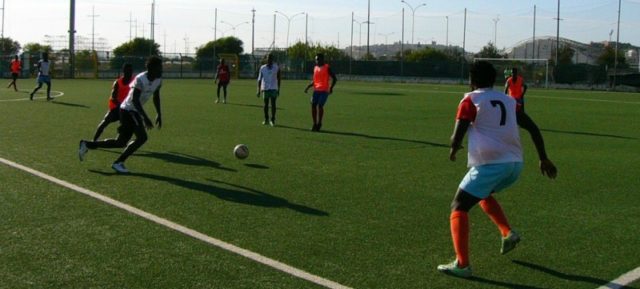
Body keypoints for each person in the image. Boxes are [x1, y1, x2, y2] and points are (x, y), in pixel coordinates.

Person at [437, 61, 557, 278]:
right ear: (495, 81)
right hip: (515, 165)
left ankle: (462, 265)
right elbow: (533, 128)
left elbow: (458, 133)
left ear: (472, 81)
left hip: (491, 165)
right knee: (483, 195)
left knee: (459, 206)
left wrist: (454, 148)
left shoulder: (471, 100)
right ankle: (507, 233)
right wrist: (543, 158)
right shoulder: (510, 101)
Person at [78, 56, 163, 174]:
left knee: (121, 142)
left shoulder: (158, 80)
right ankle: (118, 162)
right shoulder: (140, 79)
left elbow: (156, 96)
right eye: (159, 68)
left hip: (133, 111)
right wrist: (145, 117)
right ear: (152, 68)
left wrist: (159, 113)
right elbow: (135, 100)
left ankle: (87, 144)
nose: (161, 70)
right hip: (128, 110)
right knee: (142, 137)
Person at [90, 63, 134, 141]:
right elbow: (113, 98)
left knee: (128, 126)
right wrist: (121, 106)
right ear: (123, 71)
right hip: (116, 108)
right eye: (128, 71)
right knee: (104, 123)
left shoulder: (134, 81)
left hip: (127, 109)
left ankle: (122, 141)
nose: (129, 73)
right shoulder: (117, 82)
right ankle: (94, 141)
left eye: (131, 71)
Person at [304, 53, 337, 132]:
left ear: (322, 59)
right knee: (313, 105)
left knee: (320, 105)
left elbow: (334, 78)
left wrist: (331, 88)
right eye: (315, 59)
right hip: (316, 90)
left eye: (318, 59)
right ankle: (314, 124)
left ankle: (319, 123)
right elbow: (315, 80)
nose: (316, 61)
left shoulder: (327, 67)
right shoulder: (315, 68)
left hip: (324, 90)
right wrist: (308, 86)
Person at [256, 54, 281, 126]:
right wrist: (258, 90)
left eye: (271, 59)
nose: (269, 60)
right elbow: (259, 79)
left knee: (273, 104)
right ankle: (266, 119)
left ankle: (272, 120)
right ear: (266, 59)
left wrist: (278, 88)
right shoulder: (262, 68)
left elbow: (279, 78)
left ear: (272, 59)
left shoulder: (276, 67)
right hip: (265, 88)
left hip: (273, 88)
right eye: (268, 59)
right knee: (265, 104)